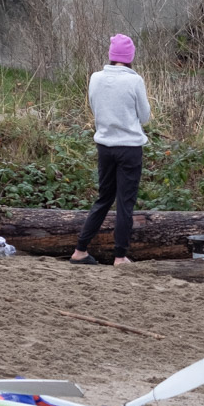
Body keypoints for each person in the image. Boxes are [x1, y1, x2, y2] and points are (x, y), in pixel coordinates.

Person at [71, 34, 151, 267]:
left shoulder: (95, 78)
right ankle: (119, 256)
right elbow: (144, 117)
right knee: (125, 203)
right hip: (129, 148)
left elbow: (95, 108)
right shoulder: (135, 81)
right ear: (130, 58)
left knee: (103, 199)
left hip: (104, 146)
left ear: (111, 55)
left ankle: (80, 249)